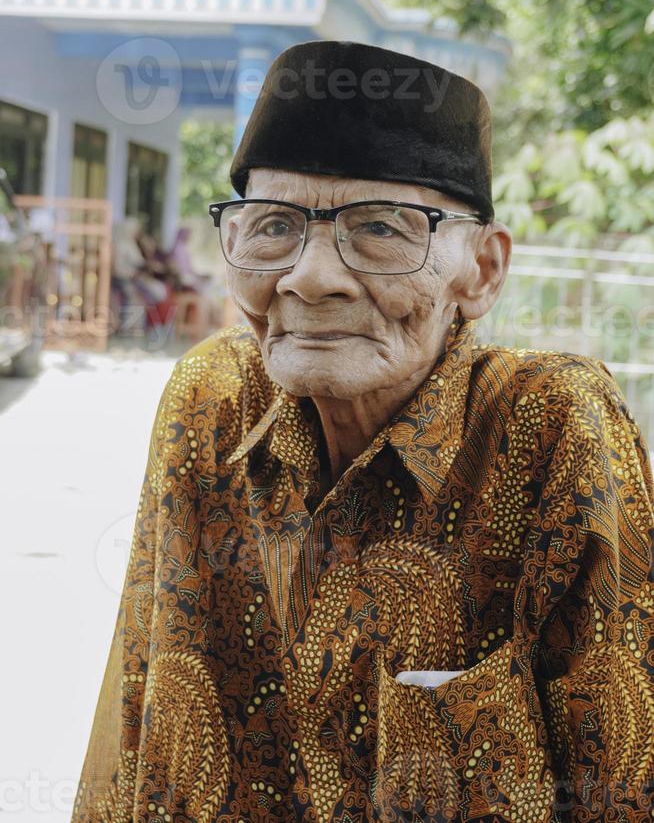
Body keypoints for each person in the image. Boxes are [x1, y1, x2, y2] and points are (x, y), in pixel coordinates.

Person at [72, 41, 654, 822]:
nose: (310, 276)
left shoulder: (551, 425)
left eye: (380, 228)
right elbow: (135, 708)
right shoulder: (209, 399)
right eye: (273, 225)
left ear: (481, 270)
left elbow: (623, 782)